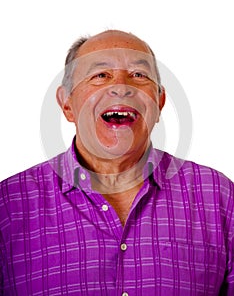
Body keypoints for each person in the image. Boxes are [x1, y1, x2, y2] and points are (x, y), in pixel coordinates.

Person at [0, 30, 233, 296]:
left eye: (139, 75)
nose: (122, 87)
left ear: (159, 102)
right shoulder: (8, 205)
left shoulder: (218, 196)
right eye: (101, 75)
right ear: (67, 104)